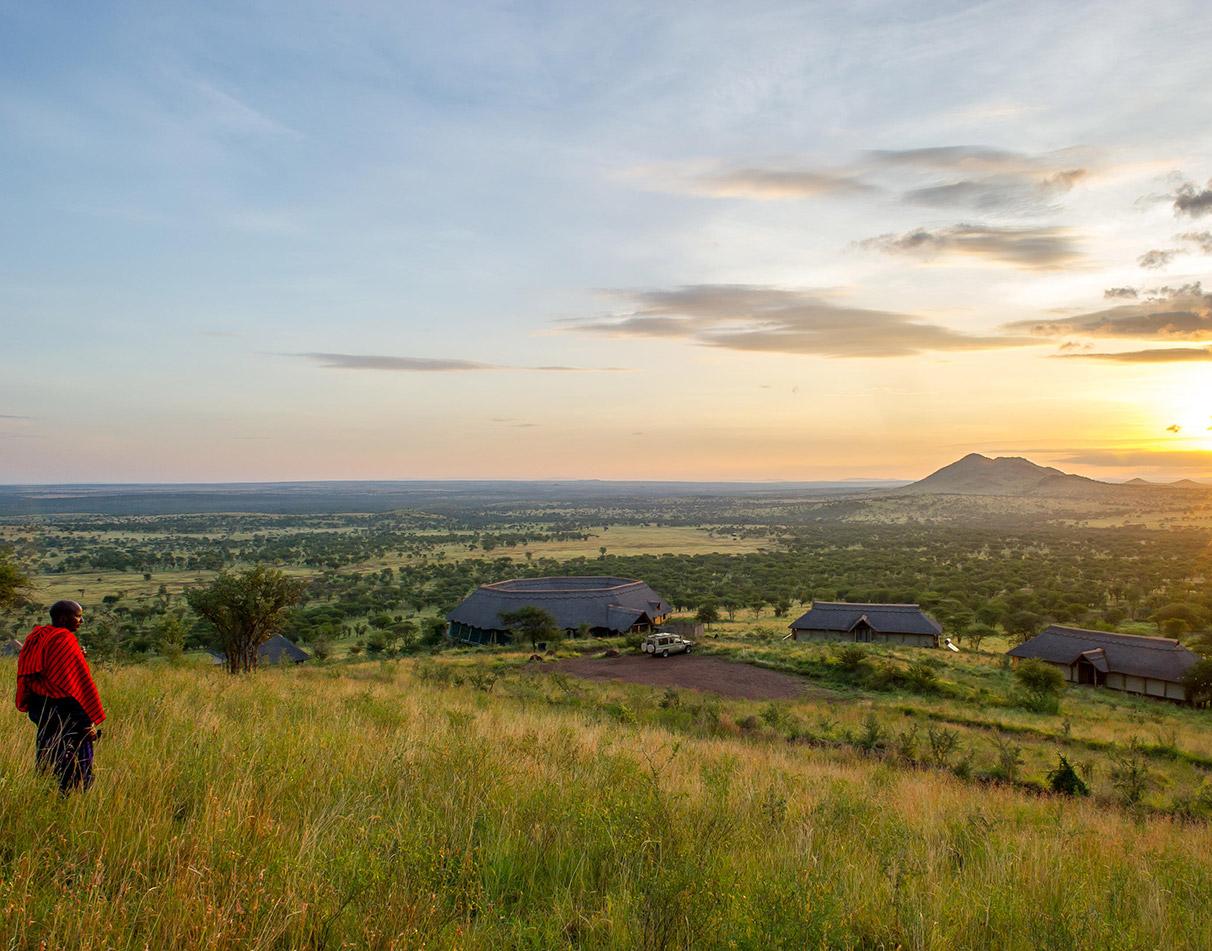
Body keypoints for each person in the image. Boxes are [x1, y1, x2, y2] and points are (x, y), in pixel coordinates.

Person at [14, 600, 106, 793]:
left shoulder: (40, 636)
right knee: (73, 764)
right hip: (64, 711)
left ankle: (47, 794)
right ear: (63, 618)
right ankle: (71, 799)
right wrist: (86, 722)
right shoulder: (63, 640)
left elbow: (44, 668)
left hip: (42, 708)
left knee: (48, 756)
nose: (81, 620)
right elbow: (69, 688)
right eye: (78, 616)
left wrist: (75, 655)